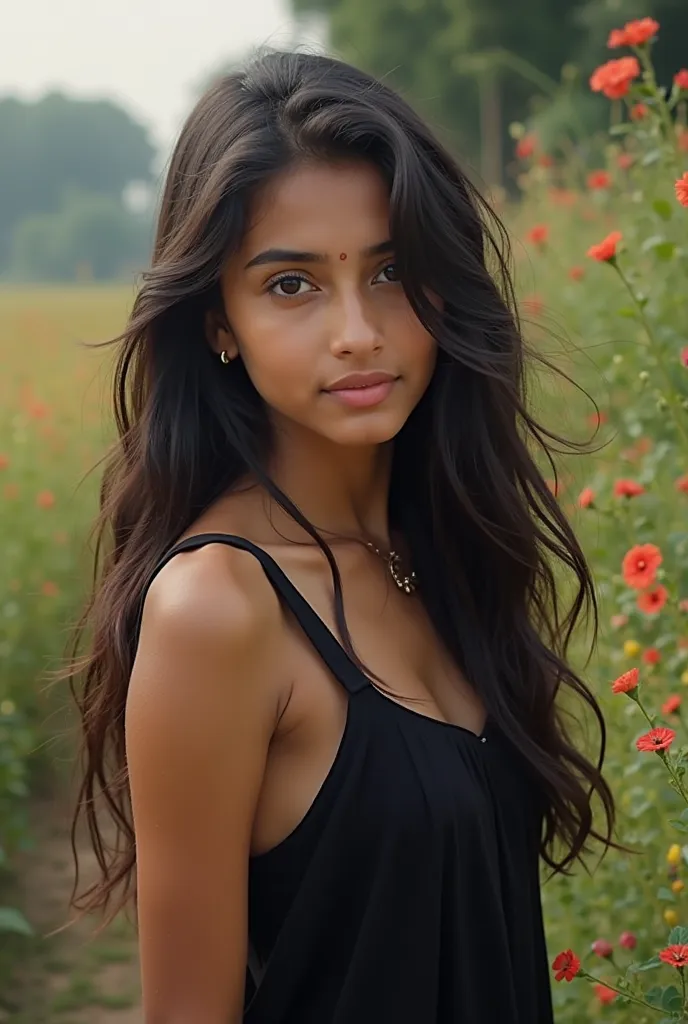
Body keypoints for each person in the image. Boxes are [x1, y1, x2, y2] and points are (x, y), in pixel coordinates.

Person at [65, 48, 615, 1023]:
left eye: (393, 269)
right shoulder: (217, 610)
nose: (358, 330)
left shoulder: (435, 552)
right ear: (218, 321)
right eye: (291, 284)